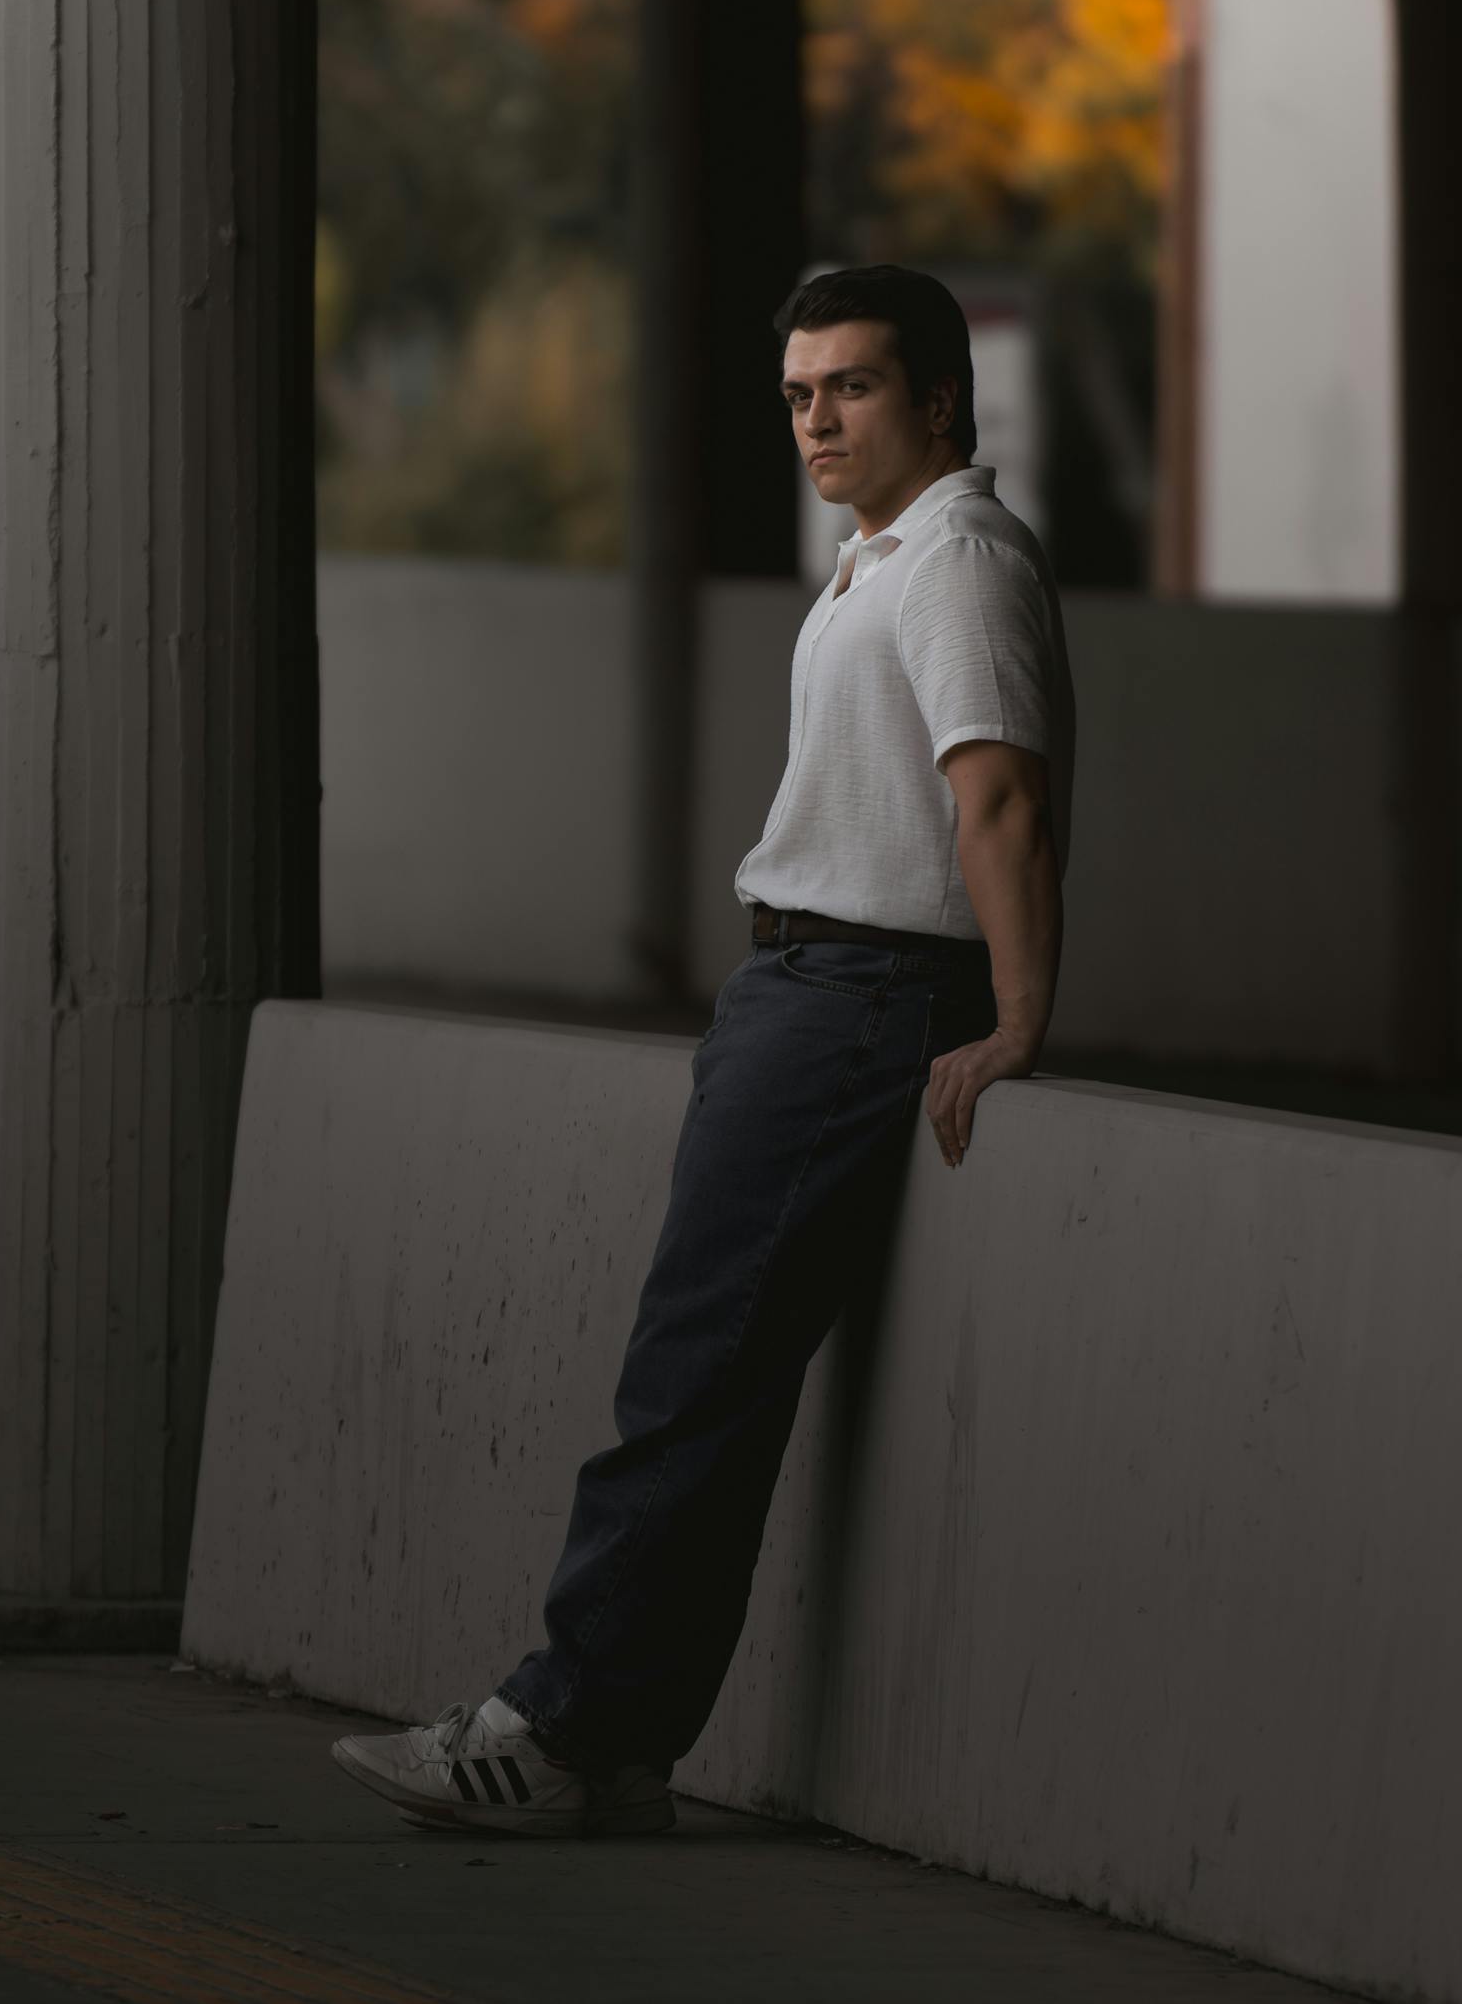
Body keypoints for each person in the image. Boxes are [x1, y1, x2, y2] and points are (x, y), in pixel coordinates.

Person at [330, 262, 1074, 1838]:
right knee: (706, 1375)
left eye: (851, 386)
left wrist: (1015, 1019)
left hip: (864, 995)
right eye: (799, 393)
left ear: (937, 398)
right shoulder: (876, 561)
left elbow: (995, 795)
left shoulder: (956, 558)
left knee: (691, 1374)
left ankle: (555, 1729)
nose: (815, 417)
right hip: (801, 994)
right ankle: (616, 1748)